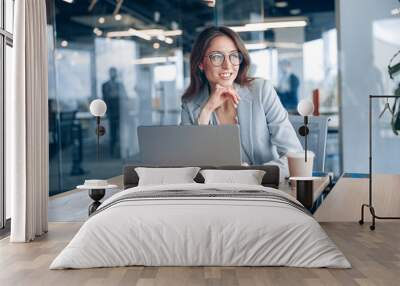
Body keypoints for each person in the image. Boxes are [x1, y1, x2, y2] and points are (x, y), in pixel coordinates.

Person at [180, 26, 302, 178]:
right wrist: (206, 111)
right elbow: (188, 169)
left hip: (264, 189)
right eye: (217, 57)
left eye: (234, 56)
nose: (227, 65)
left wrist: (250, 175)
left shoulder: (261, 91)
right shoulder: (190, 104)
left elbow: (295, 156)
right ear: (201, 64)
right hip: (217, 194)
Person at [102, 67, 127, 158]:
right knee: (113, 132)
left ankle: (121, 151)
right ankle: (112, 151)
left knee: (120, 132)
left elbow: (125, 97)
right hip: (111, 111)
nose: (113, 74)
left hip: (120, 111)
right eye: (112, 72)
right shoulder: (105, 85)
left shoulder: (120, 85)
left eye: (114, 73)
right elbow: (105, 98)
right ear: (109, 73)